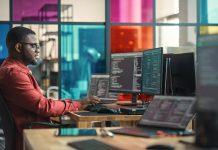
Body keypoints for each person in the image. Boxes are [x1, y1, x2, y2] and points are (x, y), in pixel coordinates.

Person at [0, 26, 100, 150]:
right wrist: (79, 103)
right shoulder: (14, 73)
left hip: (32, 131)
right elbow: (45, 107)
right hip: (32, 137)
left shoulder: (12, 68)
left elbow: (40, 103)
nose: (38, 51)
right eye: (33, 46)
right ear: (19, 47)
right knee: (92, 140)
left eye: (38, 46)